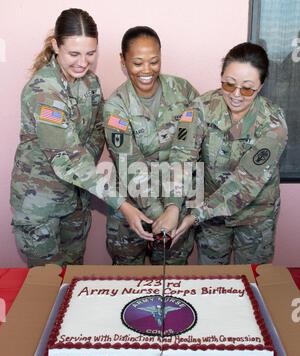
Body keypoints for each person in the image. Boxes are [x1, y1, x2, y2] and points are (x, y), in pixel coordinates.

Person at [10, 9, 152, 268]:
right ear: (56, 46)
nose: (83, 62)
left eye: (90, 53)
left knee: (72, 279)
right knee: (46, 285)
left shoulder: (90, 83)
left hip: (76, 200)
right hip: (41, 206)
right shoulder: (44, 91)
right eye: (74, 54)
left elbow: (99, 127)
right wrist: (123, 205)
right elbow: (70, 161)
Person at [168, 42, 288, 264]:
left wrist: (195, 215)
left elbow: (245, 184)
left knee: (254, 281)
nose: (236, 95)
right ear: (221, 77)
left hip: (255, 218)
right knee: (212, 282)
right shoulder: (201, 107)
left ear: (261, 86)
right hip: (213, 219)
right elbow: (181, 158)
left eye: (247, 88)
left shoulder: (273, 124)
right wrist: (173, 206)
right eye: (229, 84)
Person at [104, 26, 200, 265]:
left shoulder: (184, 92)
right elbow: (130, 164)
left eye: (154, 61)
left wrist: (174, 207)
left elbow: (188, 151)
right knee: (126, 284)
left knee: (173, 283)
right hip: (131, 209)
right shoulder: (116, 107)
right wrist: (161, 215)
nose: (147, 70)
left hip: (177, 202)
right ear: (123, 61)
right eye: (137, 63)